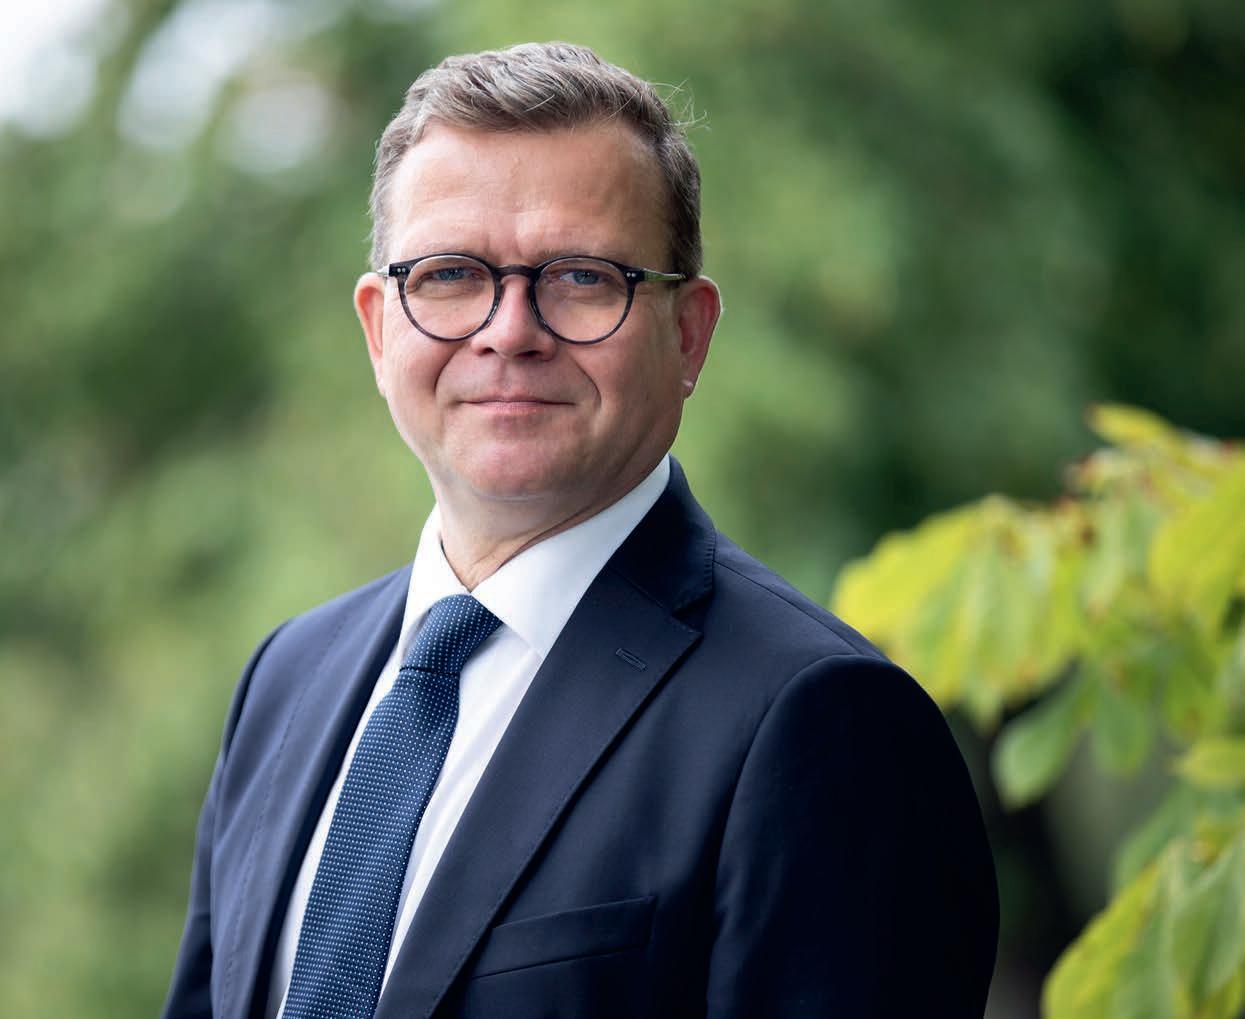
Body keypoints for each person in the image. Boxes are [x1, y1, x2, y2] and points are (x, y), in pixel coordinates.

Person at [161, 41, 998, 1019]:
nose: (510, 330)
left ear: (688, 334)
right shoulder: (287, 681)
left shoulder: (822, 724)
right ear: (379, 327)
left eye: (581, 276)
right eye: (449, 273)